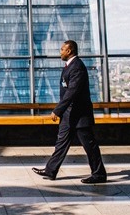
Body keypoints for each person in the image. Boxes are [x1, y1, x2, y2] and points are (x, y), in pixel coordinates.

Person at [32, 40, 107, 183]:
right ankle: (50, 170)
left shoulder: (77, 67)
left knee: (89, 145)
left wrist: (57, 110)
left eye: (62, 49)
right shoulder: (69, 66)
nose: (60, 52)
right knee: (61, 142)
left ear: (69, 51)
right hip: (69, 115)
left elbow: (72, 92)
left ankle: (99, 174)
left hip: (79, 115)